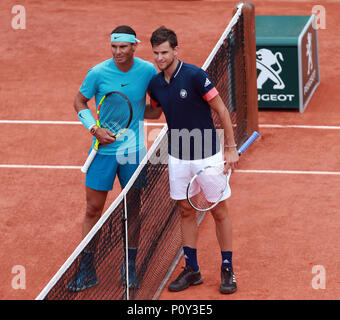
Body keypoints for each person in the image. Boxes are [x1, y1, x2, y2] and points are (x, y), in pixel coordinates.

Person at [147, 26, 239, 294]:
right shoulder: (155, 83)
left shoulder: (195, 76)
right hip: (177, 157)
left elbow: (221, 110)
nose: (160, 58)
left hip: (207, 155)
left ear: (176, 49)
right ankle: (192, 269)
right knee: (185, 211)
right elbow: (154, 112)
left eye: (164, 52)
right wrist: (123, 113)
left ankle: (227, 268)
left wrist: (230, 148)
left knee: (218, 210)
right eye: (155, 53)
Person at [68, 25, 158, 292]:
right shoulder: (97, 73)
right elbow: (79, 102)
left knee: (132, 210)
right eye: (114, 47)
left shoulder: (147, 71)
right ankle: (87, 269)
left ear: (134, 46)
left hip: (133, 152)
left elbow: (153, 112)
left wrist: (166, 106)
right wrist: (94, 128)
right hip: (102, 151)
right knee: (92, 209)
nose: (118, 52)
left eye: (123, 47)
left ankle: (129, 267)